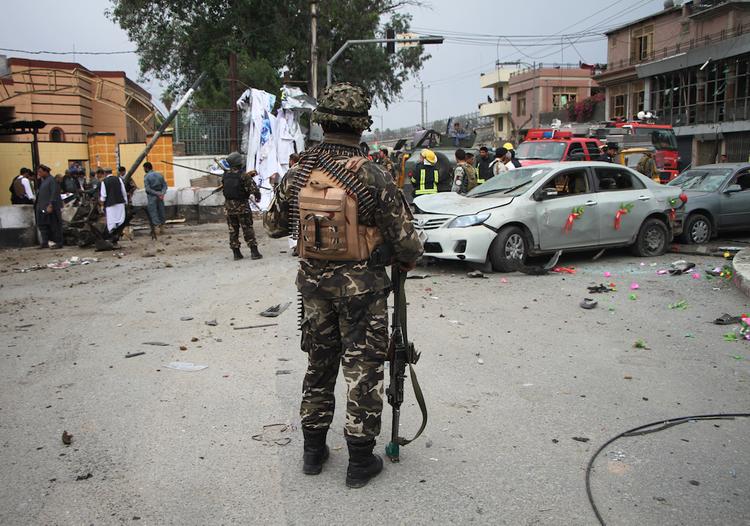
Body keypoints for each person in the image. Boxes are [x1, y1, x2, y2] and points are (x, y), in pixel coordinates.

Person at [263, 82, 423, 488]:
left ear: (323, 122)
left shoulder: (299, 172)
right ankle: (359, 463)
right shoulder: (374, 174)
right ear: (361, 126)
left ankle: (313, 453)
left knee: (319, 366)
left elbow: (272, 225)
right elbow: (408, 243)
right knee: (363, 370)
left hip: (313, 290)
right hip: (363, 293)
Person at [221, 151, 262, 261]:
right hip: (242, 207)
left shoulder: (225, 175)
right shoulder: (244, 176)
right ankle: (254, 252)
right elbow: (254, 190)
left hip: (229, 208)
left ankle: (236, 253)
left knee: (233, 230)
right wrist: (258, 197)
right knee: (247, 228)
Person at [35, 164, 63, 249]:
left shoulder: (52, 180)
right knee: (43, 225)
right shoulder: (44, 181)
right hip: (42, 207)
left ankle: (58, 242)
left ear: (45, 172)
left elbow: (54, 193)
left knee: (54, 226)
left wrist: (50, 205)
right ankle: (45, 242)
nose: (39, 173)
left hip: (50, 207)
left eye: (40, 172)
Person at [98, 167, 128, 244]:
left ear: (105, 173)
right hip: (120, 203)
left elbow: (103, 196)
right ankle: (117, 236)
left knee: (111, 222)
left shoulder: (104, 182)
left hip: (110, 205)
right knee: (120, 220)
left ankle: (112, 238)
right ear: (111, 172)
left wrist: (101, 206)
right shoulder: (119, 179)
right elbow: (123, 192)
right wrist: (126, 202)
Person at [143, 162, 167, 233]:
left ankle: (157, 229)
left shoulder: (147, 176)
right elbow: (165, 186)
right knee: (161, 210)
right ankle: (163, 227)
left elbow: (148, 189)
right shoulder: (159, 175)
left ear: (146, 168)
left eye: (144, 168)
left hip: (152, 196)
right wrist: (161, 193)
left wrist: (157, 194)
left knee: (153, 212)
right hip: (160, 196)